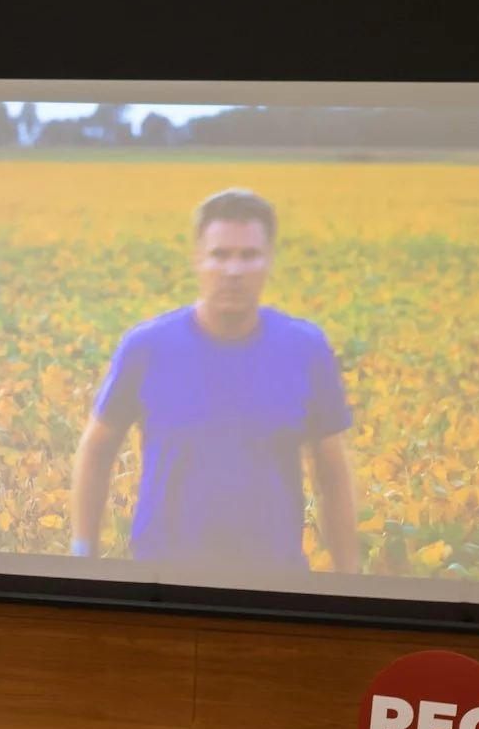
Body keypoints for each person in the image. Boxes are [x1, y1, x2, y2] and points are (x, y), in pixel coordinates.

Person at [69, 188, 360, 576]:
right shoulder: (147, 347)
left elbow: (333, 477)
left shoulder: (305, 348)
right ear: (198, 259)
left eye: (249, 255)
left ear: (269, 261)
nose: (233, 271)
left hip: (275, 583)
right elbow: (97, 449)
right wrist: (82, 551)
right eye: (220, 255)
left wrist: (349, 576)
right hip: (163, 583)